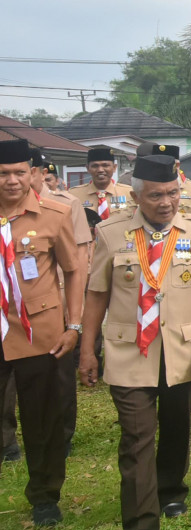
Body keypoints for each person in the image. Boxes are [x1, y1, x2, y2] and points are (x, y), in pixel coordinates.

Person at [79, 154, 191, 530]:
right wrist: (87, 349)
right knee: (137, 436)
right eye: (157, 195)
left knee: (177, 424)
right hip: (130, 351)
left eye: (173, 193)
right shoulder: (110, 232)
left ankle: (171, 489)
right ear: (138, 196)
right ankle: (142, 525)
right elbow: (97, 294)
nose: (166, 202)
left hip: (180, 347)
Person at [0, 138, 85, 529]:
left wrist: (73, 326)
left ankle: (45, 496)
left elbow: (74, 270)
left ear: (31, 172)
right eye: (3, 173)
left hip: (40, 332)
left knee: (43, 420)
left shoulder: (54, 213)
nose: (12, 181)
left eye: (19, 172)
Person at [29, 149, 91, 455]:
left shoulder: (63, 206)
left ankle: (63, 432)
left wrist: (73, 307)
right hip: (14, 305)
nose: (17, 180)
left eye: (25, 171)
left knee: (59, 371)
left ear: (40, 173)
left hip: (56, 296)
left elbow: (78, 255)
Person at [70, 146, 134, 221]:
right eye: (95, 166)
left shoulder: (130, 193)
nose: (100, 170)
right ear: (88, 168)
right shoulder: (74, 195)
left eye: (105, 165)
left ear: (114, 167)